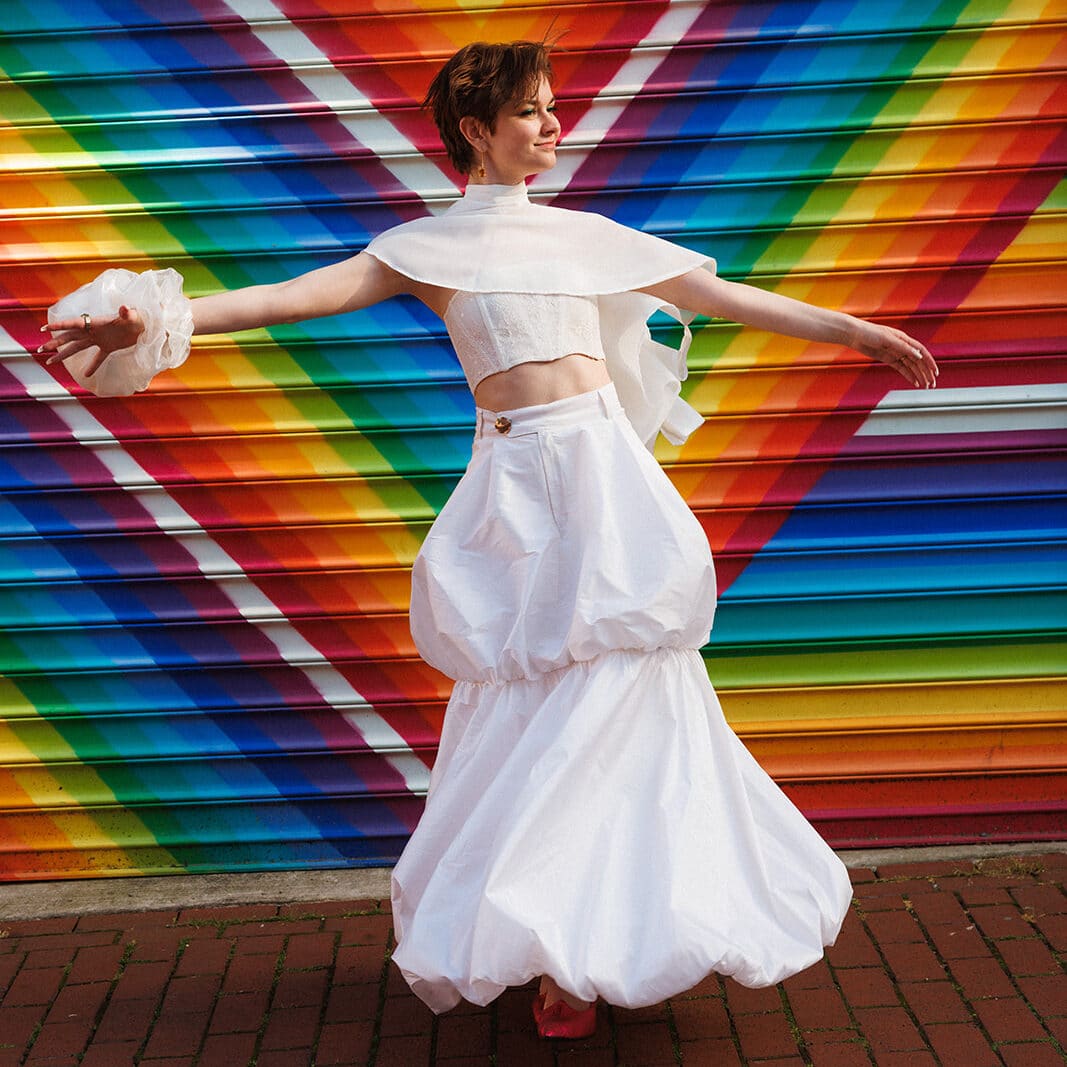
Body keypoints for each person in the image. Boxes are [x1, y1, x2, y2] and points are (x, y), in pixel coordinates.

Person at [39, 40, 938, 1040]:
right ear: (475, 128)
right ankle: (547, 939)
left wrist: (856, 333)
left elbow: (722, 299)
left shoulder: (586, 236)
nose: (553, 128)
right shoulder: (422, 250)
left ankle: (590, 945)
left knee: (621, 702)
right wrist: (159, 322)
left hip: (605, 482)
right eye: (531, 113)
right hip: (514, 493)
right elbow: (284, 299)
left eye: (554, 111)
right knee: (528, 713)